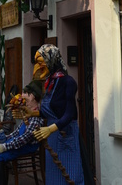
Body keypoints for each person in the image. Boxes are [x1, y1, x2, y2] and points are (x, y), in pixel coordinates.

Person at [32, 44, 85, 185]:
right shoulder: (50, 83)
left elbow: (70, 113)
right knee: (54, 177)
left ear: (51, 60)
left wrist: (50, 129)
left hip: (65, 135)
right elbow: (47, 112)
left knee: (69, 176)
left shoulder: (68, 82)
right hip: (53, 138)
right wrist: (29, 112)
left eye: (41, 62)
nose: (38, 66)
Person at [0, 80, 44, 185]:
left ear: (32, 96)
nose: (24, 100)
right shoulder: (28, 113)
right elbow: (17, 132)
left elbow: (24, 139)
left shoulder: (35, 118)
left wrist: (5, 146)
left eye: (26, 95)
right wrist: (5, 138)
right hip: (18, 143)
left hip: (26, 146)